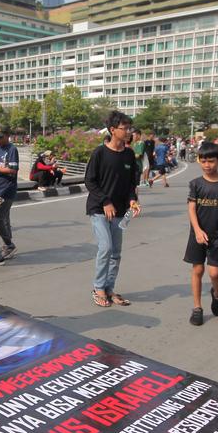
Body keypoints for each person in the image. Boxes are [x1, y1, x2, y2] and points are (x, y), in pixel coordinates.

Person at [86, 110, 142, 308]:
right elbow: (90, 181)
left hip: (121, 211)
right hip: (99, 209)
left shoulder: (128, 154)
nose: (128, 131)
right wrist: (105, 201)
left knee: (116, 252)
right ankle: (98, 288)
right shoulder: (100, 153)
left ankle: (109, 289)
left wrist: (133, 200)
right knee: (106, 247)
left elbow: (131, 184)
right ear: (112, 130)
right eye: (124, 128)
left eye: (129, 128)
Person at [183, 141, 218, 326]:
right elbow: (191, 208)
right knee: (198, 269)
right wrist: (197, 230)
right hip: (197, 235)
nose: (207, 165)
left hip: (217, 236)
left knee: (214, 273)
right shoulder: (195, 184)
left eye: (211, 161)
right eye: (203, 161)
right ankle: (197, 308)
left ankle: (217, 294)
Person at [0, 126, 19, 259]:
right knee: (4, 219)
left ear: (7, 135)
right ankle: (7, 245)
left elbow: (13, 170)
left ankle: (9, 244)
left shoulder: (12, 149)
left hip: (6, 190)